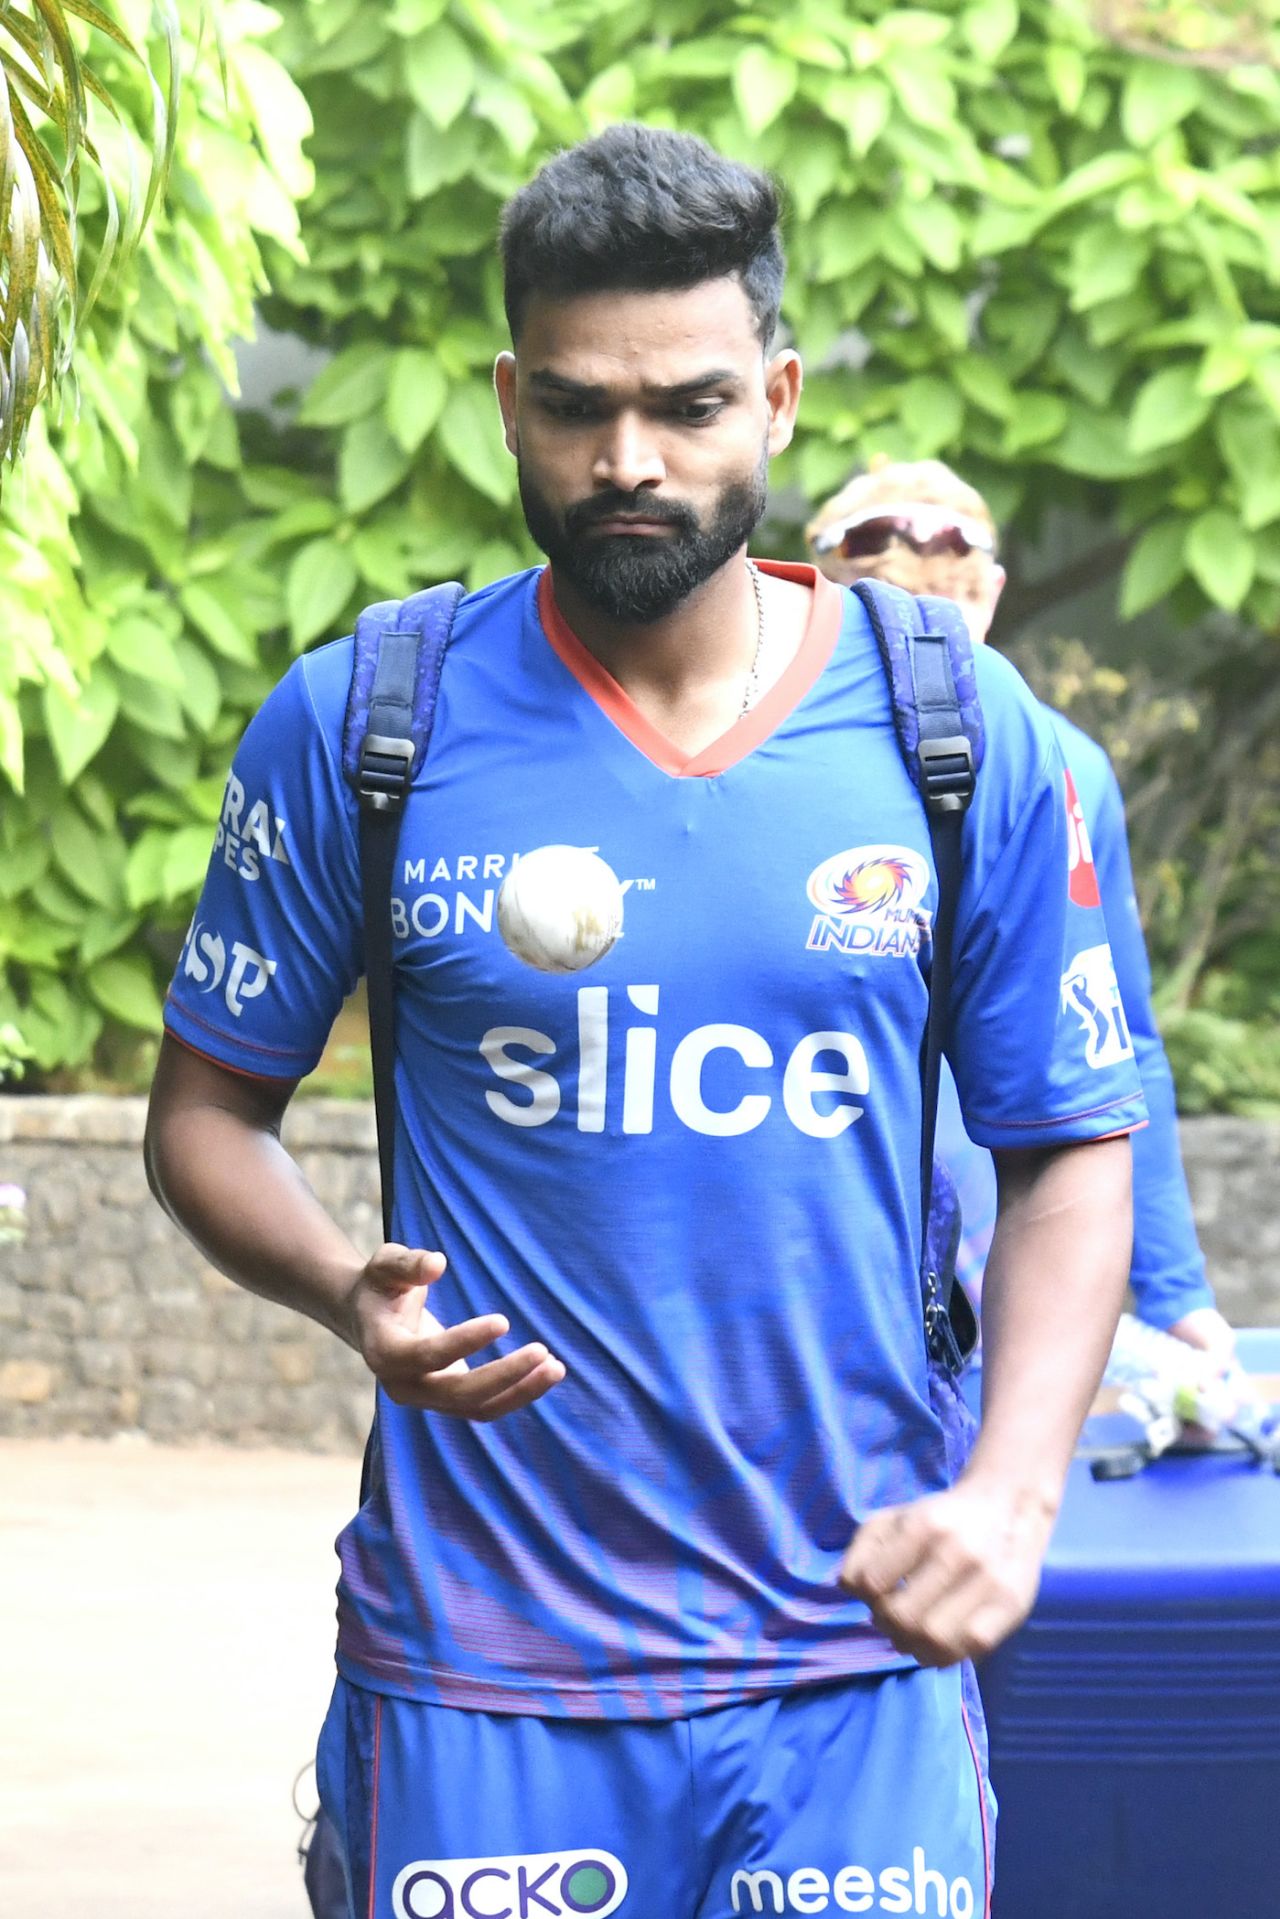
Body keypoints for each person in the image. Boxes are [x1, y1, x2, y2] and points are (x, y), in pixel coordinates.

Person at [146, 125, 1146, 1919]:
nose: (629, 462)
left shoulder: (958, 734)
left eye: (688, 407)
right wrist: (335, 1281)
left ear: (773, 397)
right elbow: (205, 1114)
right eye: (577, 408)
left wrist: (1010, 1492)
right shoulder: (366, 719)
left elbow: (1070, 1149)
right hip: (482, 1669)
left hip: (854, 1662)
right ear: (507, 396)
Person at [806, 458, 1233, 1367]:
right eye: (885, 599)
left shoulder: (1060, 764)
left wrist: (1177, 1293)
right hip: (829, 1246)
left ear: (991, 599)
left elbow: (1117, 1044)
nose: (917, 646)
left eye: (947, 607)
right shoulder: (770, 757)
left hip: (1007, 1258)